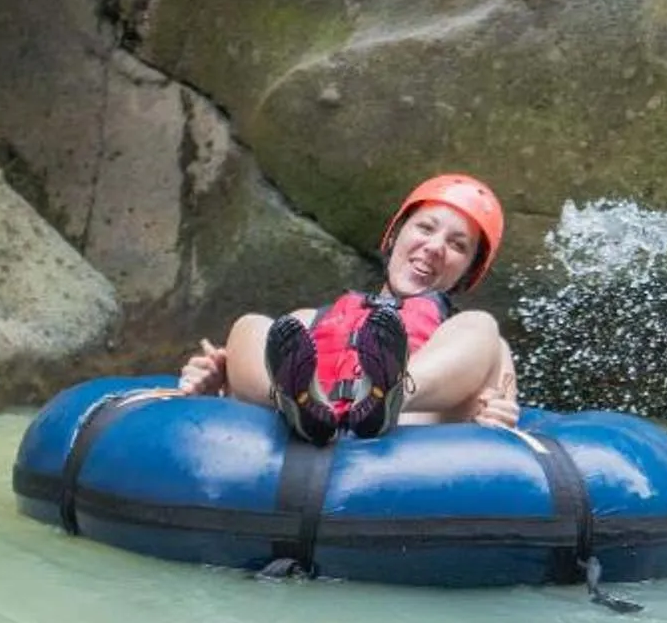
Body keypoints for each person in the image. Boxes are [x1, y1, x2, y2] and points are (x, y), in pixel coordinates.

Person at [177, 173, 522, 444]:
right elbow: (237, 401)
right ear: (395, 236)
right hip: (309, 415)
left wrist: (498, 415)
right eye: (425, 228)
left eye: (457, 245)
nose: (434, 247)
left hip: (407, 431)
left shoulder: (474, 341)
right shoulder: (308, 323)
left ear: (468, 272)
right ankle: (298, 401)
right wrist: (216, 388)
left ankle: (389, 395)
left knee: (482, 325)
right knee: (250, 325)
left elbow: (501, 402)